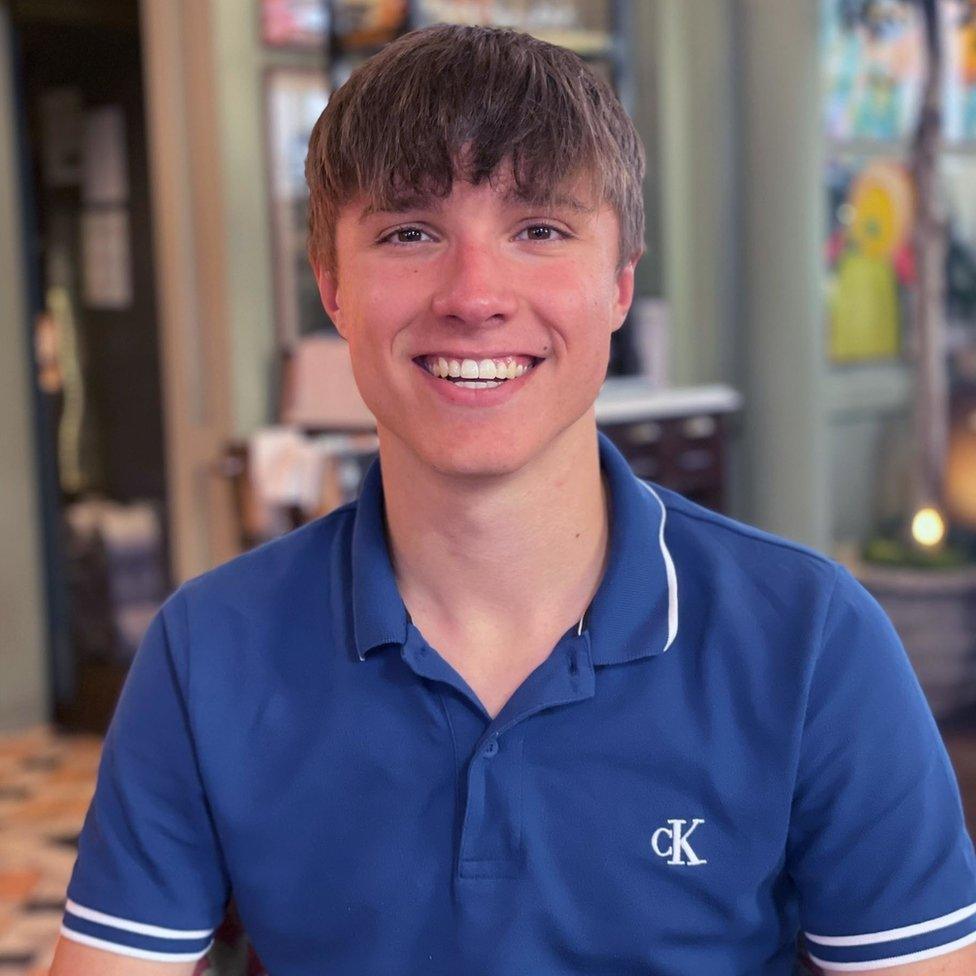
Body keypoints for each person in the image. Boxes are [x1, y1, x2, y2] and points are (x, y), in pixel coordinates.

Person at [50, 23, 976, 976]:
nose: (475, 293)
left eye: (539, 230)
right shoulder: (209, 650)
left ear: (619, 284)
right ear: (332, 286)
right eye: (410, 233)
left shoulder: (812, 641)